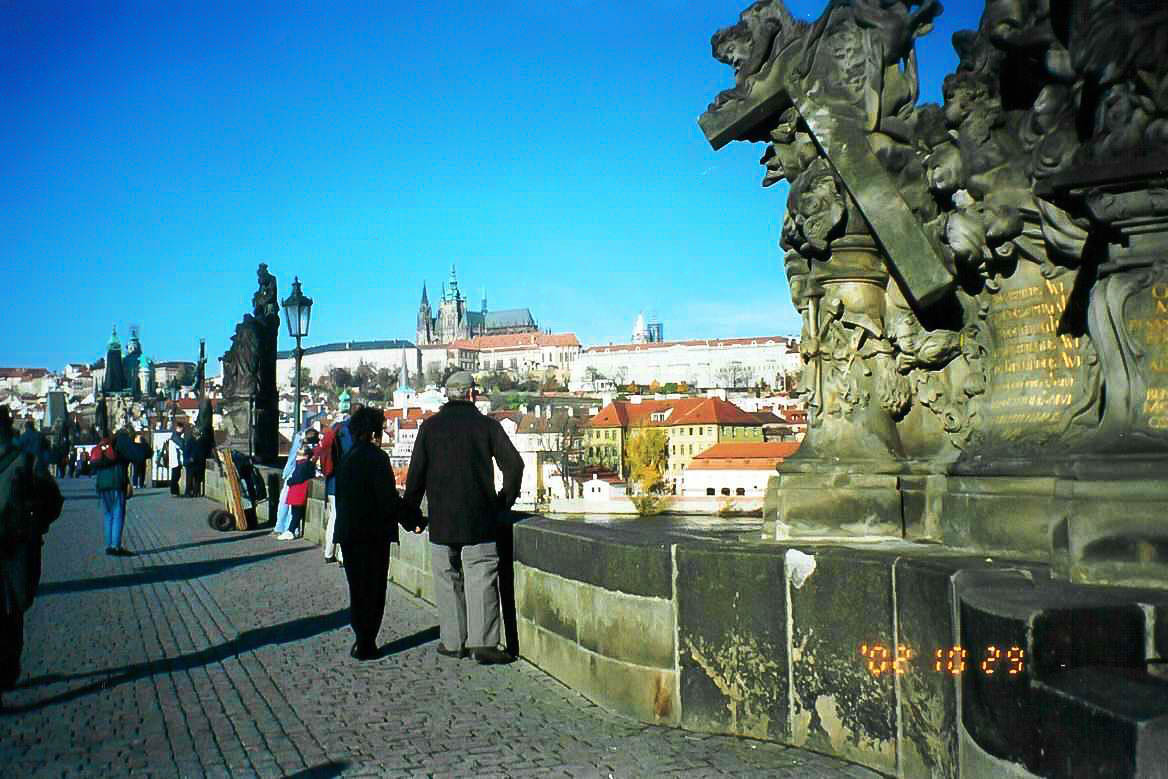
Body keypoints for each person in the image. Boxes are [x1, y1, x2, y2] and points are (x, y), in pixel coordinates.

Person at [403, 372, 523, 665]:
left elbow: (415, 478)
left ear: (448, 395)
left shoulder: (429, 428)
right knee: (481, 577)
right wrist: (502, 501)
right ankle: (483, 644)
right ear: (472, 394)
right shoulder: (487, 426)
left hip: (442, 520)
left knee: (447, 580)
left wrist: (411, 514)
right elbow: (515, 466)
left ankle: (453, 641)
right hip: (480, 519)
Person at [335, 407, 419, 660]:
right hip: (372, 535)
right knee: (373, 589)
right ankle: (367, 642)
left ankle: (361, 638)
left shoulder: (348, 458)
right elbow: (388, 500)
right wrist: (413, 520)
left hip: (349, 533)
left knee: (357, 589)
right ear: (374, 431)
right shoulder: (377, 458)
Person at [0, 405, 63, 695]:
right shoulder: (26, 459)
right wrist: (35, 525)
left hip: (14, 544)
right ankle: (7, 667)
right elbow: (53, 502)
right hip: (17, 547)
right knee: (13, 610)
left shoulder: (25, 458)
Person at [316, 404, 361, 565]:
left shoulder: (337, 426)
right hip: (346, 482)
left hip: (332, 481)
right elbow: (352, 457)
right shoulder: (352, 431)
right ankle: (343, 555)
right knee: (344, 518)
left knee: (334, 517)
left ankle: (329, 552)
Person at [91, 426, 146, 556]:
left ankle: (109, 545)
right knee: (118, 514)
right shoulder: (123, 442)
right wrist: (140, 444)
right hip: (116, 482)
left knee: (108, 514)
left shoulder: (107, 443)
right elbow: (138, 456)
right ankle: (116, 546)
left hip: (102, 484)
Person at [273, 412, 324, 537]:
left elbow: (293, 459)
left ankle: (282, 526)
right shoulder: (305, 449)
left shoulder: (299, 440)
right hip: (294, 475)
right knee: (290, 504)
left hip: (290, 472)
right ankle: (289, 528)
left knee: (285, 501)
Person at [279, 444, 316, 541]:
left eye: (300, 453)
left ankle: (290, 531)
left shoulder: (302, 465)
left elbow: (298, 477)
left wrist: (289, 481)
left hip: (298, 491)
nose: (297, 456)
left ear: (306, 455)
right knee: (297, 512)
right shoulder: (307, 464)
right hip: (299, 491)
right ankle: (293, 530)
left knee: (296, 512)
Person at [167, 423, 185, 496]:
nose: (182, 430)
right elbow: (182, 445)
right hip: (176, 461)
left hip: (175, 460)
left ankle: (174, 491)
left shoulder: (174, 436)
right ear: (179, 428)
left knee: (175, 476)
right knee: (175, 476)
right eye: (182, 429)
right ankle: (174, 491)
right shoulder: (176, 437)